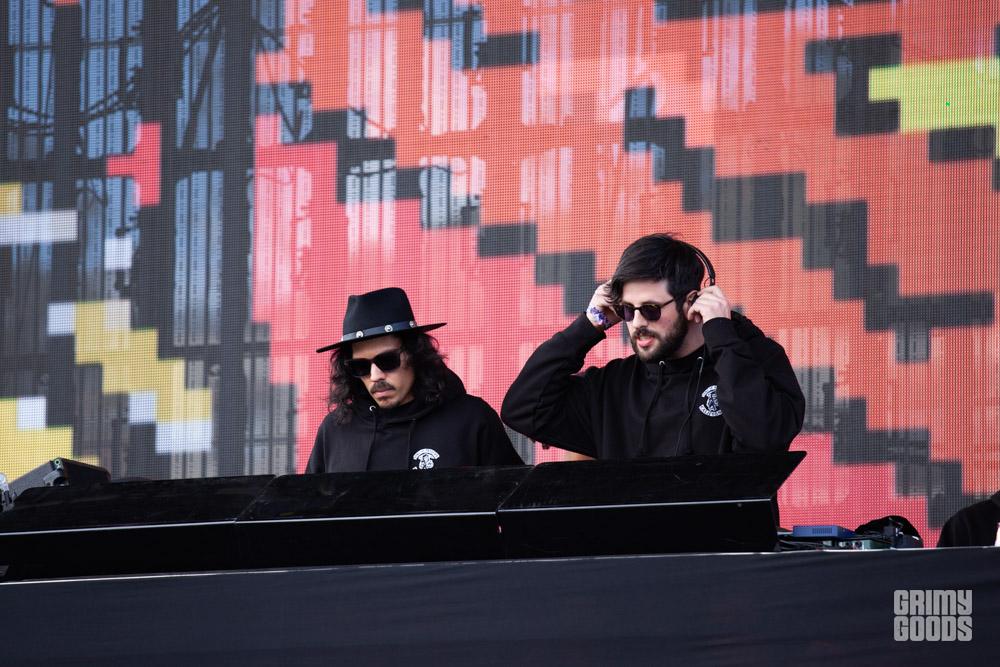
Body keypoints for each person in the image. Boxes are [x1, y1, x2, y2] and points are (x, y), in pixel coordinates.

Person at [501, 233, 805, 459]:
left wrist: (721, 332)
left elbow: (765, 441)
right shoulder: (612, 387)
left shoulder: (750, 361)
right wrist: (589, 324)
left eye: (651, 309)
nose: (637, 323)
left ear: (691, 302)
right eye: (627, 310)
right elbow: (523, 409)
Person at [307, 287, 523, 473]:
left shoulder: (472, 420)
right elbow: (310, 506)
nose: (375, 376)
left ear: (415, 354)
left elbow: (514, 501)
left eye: (387, 360)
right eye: (360, 366)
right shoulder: (335, 430)